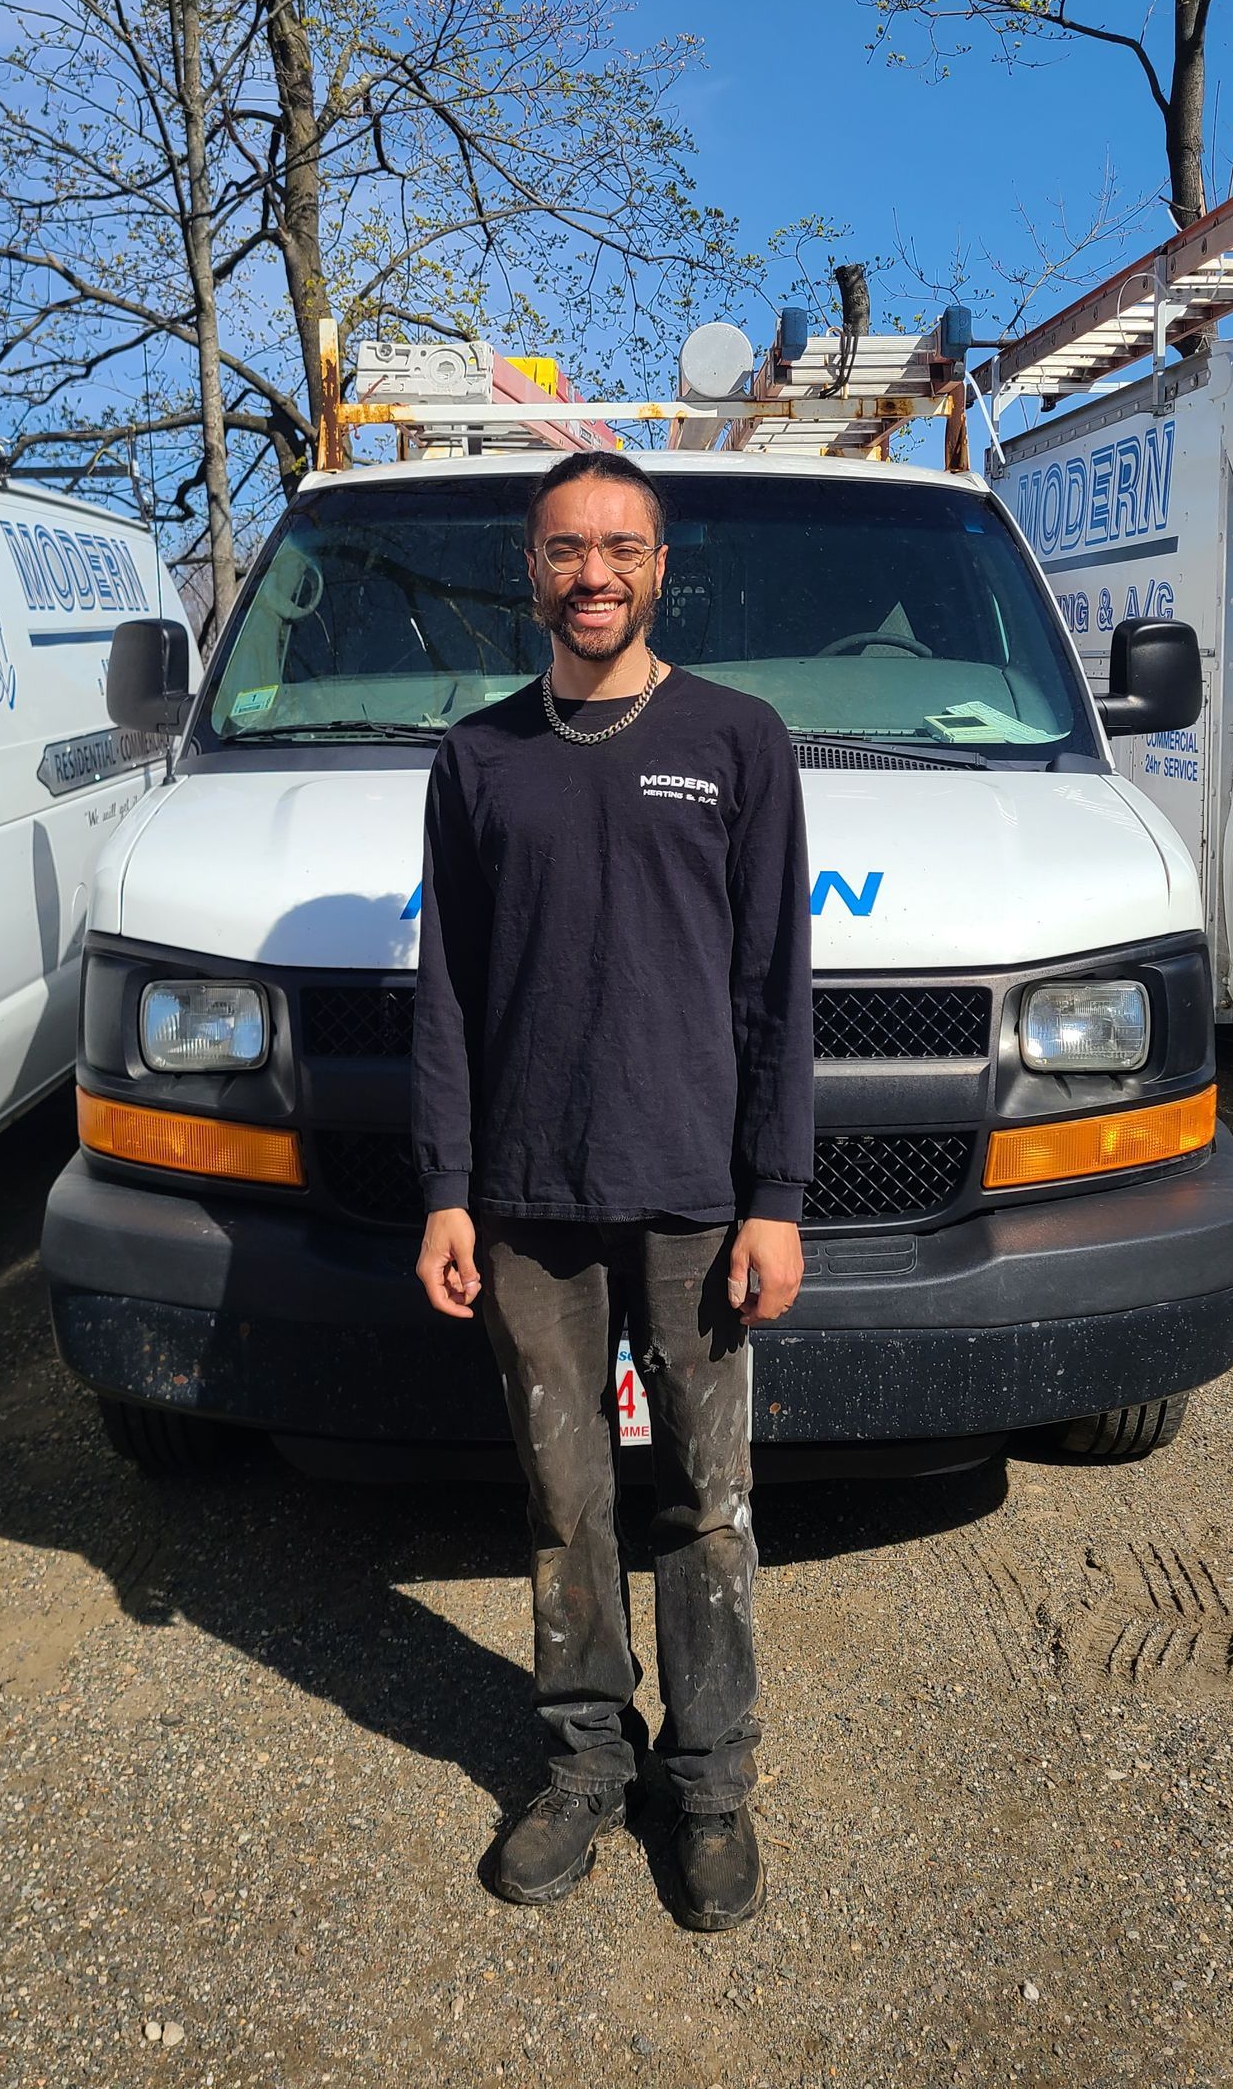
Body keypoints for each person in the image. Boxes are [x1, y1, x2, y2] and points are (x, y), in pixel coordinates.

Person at [412, 447, 813, 1931]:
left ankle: (707, 1786)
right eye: (567, 549)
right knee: (561, 1497)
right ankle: (586, 1762)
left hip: (697, 1201)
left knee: (705, 1505)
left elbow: (777, 986)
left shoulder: (736, 741)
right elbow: (445, 991)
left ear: (662, 565)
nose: (594, 574)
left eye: (621, 549)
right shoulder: (479, 761)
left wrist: (776, 1196)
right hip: (525, 1202)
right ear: (531, 569)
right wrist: (448, 1189)